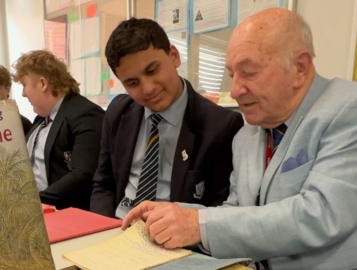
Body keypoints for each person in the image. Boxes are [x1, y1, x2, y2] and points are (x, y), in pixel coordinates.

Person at [123, 8, 357, 270]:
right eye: (231, 74)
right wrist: (173, 213)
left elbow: (320, 215)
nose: (235, 90)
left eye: (248, 72)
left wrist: (197, 225)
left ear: (300, 68)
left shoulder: (350, 109)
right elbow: (236, 210)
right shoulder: (247, 134)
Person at [89, 18, 244, 218]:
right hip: (119, 226)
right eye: (132, 83)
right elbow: (103, 183)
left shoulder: (220, 125)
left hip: (173, 235)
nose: (148, 88)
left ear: (174, 56)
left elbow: (219, 209)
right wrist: (103, 230)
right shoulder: (119, 112)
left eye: (152, 70)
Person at [12, 50, 104, 210]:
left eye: (24, 85)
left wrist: (34, 203)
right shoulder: (40, 120)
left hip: (63, 212)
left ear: (42, 83)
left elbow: (83, 174)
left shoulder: (85, 114)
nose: (23, 93)